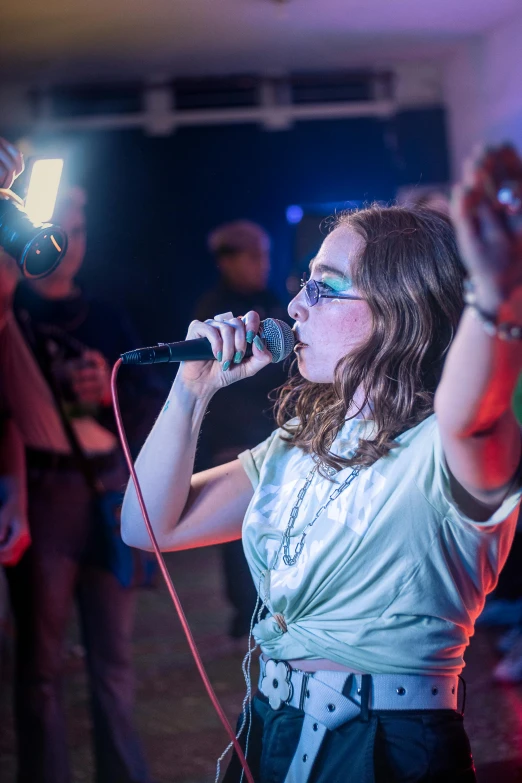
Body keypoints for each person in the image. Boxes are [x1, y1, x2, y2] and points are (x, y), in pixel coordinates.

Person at [122, 144, 522, 782]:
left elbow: (471, 410)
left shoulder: (442, 448)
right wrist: (190, 392)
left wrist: (495, 297)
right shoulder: (301, 439)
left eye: (324, 287)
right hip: (270, 729)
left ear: (401, 309)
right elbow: (148, 528)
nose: (296, 306)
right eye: (302, 282)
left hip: (383, 747)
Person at [0, 140, 161, 783]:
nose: (66, 235)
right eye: (55, 223)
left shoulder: (109, 313)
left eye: (78, 226)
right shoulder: (11, 304)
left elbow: (148, 406)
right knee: (39, 666)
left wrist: (107, 391)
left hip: (109, 488)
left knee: (114, 661)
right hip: (43, 487)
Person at [193, 220, 288, 642]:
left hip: (279, 434)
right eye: (253, 255)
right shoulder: (214, 312)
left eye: (266, 254)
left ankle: (276, 610)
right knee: (239, 537)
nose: (262, 264)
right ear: (226, 260)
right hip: (234, 440)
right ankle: (245, 615)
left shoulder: (274, 302)